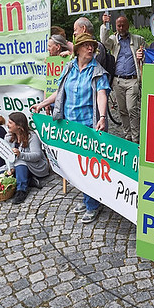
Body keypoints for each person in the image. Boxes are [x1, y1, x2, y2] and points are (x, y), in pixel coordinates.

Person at [30, 33, 110, 224]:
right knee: (77, 166)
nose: (90, 49)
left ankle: (92, 205)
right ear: (78, 49)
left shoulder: (97, 70)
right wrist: (42, 104)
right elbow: (60, 91)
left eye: (92, 46)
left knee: (89, 166)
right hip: (69, 125)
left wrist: (102, 117)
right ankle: (87, 198)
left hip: (88, 127)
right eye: (86, 46)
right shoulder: (69, 67)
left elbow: (101, 94)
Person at [100, 13, 145, 143]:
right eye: (118, 26)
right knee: (122, 110)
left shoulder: (138, 39)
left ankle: (136, 138)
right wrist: (105, 25)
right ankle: (127, 135)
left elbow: (146, 57)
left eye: (123, 25)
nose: (120, 28)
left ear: (128, 26)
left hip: (133, 80)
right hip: (118, 80)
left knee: (132, 109)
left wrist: (141, 57)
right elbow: (103, 42)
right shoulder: (113, 40)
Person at [4, 111, 49, 204]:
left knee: (20, 163)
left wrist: (21, 154)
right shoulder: (8, 137)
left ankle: (21, 191)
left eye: (10, 123)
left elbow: (37, 155)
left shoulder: (32, 136)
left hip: (36, 165)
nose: (7, 125)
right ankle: (29, 180)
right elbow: (7, 156)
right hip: (17, 165)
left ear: (19, 126)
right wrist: (11, 168)